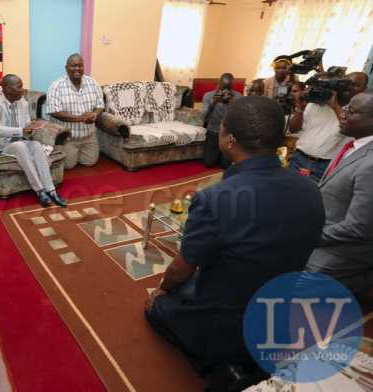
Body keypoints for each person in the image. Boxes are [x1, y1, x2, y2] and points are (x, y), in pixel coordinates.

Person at [145, 97, 324, 385]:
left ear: (229, 140)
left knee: (157, 309)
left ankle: (227, 367)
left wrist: (161, 291)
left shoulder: (216, 199)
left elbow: (180, 271)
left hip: (228, 318)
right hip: (277, 311)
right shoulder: (311, 189)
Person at [305, 91, 373, 296]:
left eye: (351, 111)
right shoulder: (352, 144)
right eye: (345, 108)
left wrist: (312, 237)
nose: (342, 114)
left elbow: (358, 227)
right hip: (327, 230)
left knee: (302, 281)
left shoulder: (370, 164)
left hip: (349, 245)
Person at [0, 74, 67, 207]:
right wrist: (21, 130)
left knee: (37, 145)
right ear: (8, 89)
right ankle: (39, 191)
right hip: (5, 144)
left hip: (23, 140)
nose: (23, 90)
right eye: (19, 86)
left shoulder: (23, 103)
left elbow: (27, 125)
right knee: (20, 147)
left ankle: (51, 191)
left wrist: (32, 128)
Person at [287, 73, 353, 183]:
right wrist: (299, 106)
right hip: (298, 158)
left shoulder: (349, 110)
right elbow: (293, 129)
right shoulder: (313, 104)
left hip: (322, 166)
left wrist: (335, 106)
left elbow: (348, 128)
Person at [47, 53, 104, 169]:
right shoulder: (56, 86)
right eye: (73, 66)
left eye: (80, 65)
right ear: (66, 68)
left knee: (90, 163)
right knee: (69, 166)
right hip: (68, 138)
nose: (77, 69)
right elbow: (54, 111)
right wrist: (81, 118)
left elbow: (100, 105)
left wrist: (94, 114)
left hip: (89, 136)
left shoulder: (93, 83)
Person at [202, 73, 241, 168]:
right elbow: (203, 117)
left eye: (228, 88)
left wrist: (233, 103)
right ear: (218, 84)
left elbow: (241, 118)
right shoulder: (208, 96)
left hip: (229, 134)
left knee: (225, 165)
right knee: (209, 163)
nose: (225, 91)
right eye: (223, 88)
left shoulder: (238, 97)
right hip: (213, 132)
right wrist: (213, 103)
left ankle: (224, 155)